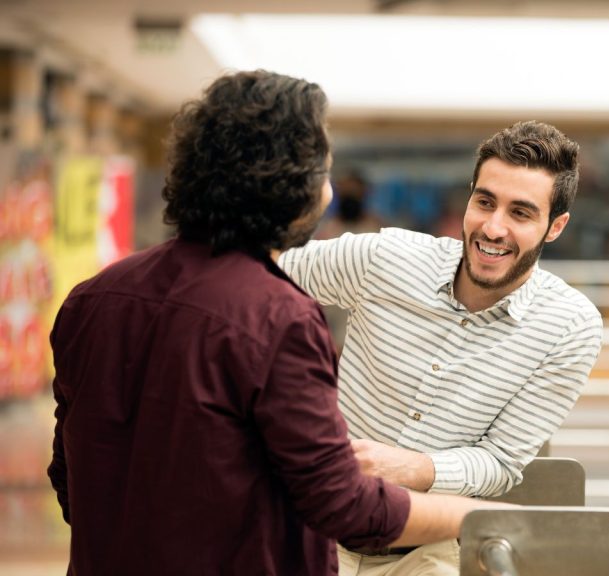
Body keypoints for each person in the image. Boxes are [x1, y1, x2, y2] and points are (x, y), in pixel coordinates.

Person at [47, 70, 492, 576]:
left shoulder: (94, 298)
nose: (327, 192)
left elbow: (71, 478)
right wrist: (481, 514)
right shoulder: (278, 318)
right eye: (322, 172)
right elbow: (343, 504)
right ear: (290, 184)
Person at [278, 120, 604, 575]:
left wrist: (416, 468)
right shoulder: (386, 260)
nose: (493, 228)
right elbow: (261, 275)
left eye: (521, 213)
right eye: (485, 202)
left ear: (556, 226)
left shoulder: (569, 327)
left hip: (427, 550)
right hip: (313, 530)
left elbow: (502, 462)